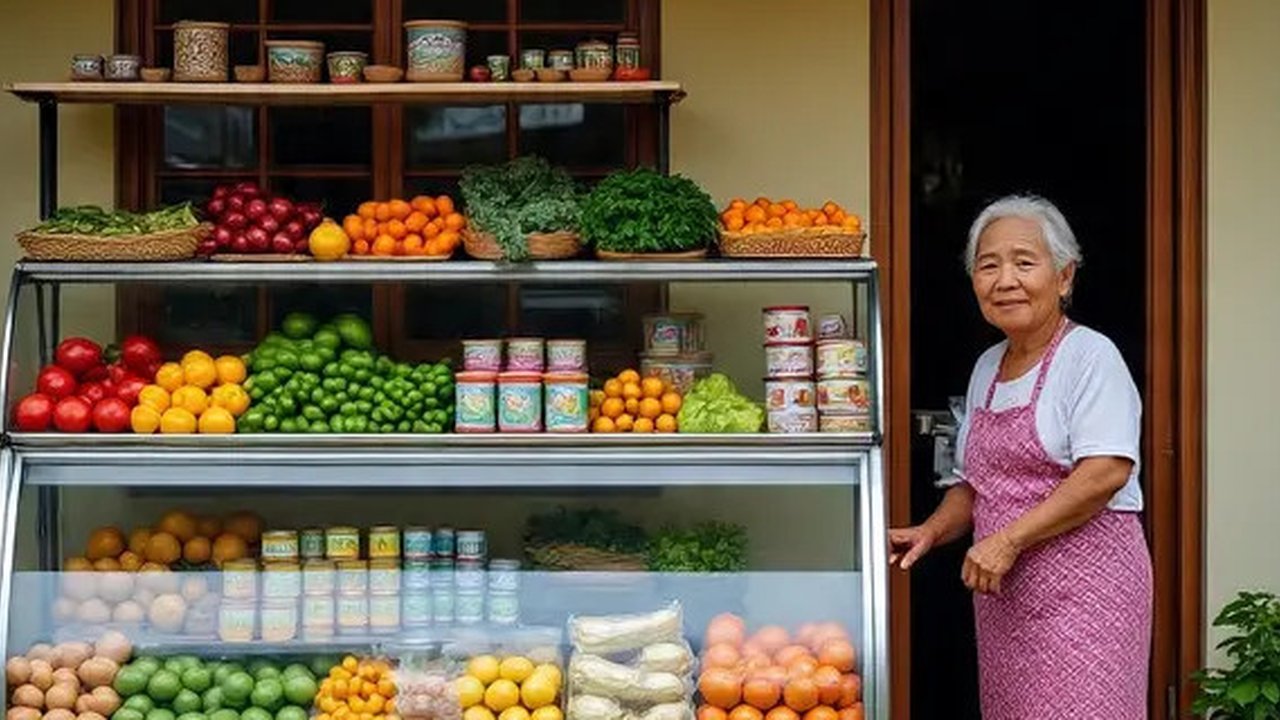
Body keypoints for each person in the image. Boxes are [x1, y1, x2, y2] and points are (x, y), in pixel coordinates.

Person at [888, 195, 1152, 719]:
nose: (1005, 280)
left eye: (1024, 262)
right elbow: (974, 483)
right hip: (1006, 600)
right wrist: (931, 531)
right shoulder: (987, 366)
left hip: (1088, 597)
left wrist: (1007, 541)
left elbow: (1105, 472)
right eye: (988, 266)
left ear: (1064, 277)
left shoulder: (1090, 356)